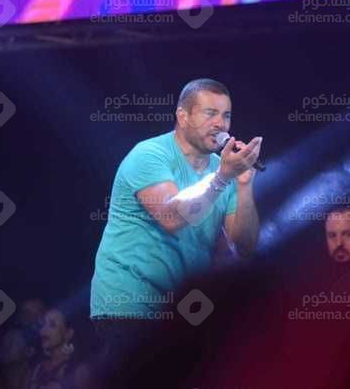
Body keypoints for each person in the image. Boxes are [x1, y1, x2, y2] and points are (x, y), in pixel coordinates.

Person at [89, 78, 262, 384]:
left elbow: (244, 246)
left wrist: (245, 184)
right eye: (210, 113)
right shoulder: (149, 155)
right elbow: (171, 216)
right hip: (129, 303)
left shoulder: (224, 169)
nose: (220, 124)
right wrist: (222, 178)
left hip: (182, 309)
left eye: (226, 115)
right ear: (183, 116)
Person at [27, 308, 91, 389]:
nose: (43, 330)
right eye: (43, 325)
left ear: (68, 334)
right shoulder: (36, 369)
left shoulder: (79, 371)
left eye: (52, 325)